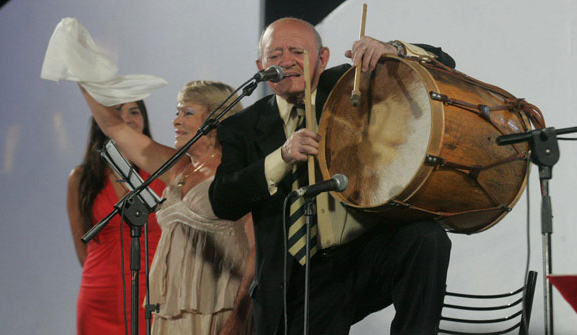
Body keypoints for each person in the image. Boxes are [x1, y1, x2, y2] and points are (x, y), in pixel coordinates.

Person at [209, 18, 455, 335]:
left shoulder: (351, 84)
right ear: (261, 66)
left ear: (323, 59)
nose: (285, 62)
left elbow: (443, 63)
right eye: (275, 55)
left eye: (297, 51)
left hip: (362, 255)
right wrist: (280, 157)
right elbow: (223, 201)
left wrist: (391, 49)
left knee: (425, 237)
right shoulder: (241, 127)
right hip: (296, 277)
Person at [79, 80, 255, 335]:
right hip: (173, 311)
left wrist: (239, 318)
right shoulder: (179, 168)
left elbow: (255, 250)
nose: (176, 121)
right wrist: (82, 78)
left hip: (219, 310)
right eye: (177, 112)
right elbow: (115, 127)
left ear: (216, 120)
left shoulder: (234, 172)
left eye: (188, 113)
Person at [66, 101, 166, 335]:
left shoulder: (164, 170)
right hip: (100, 298)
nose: (127, 118)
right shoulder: (80, 178)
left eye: (134, 112)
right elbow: (83, 249)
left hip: (155, 295)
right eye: (117, 112)